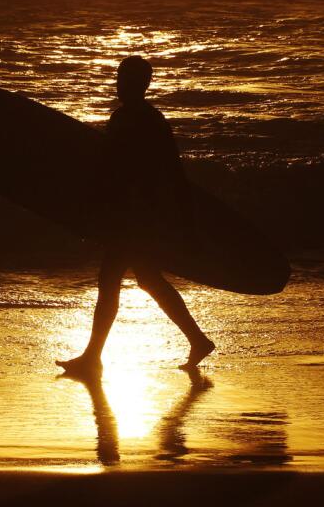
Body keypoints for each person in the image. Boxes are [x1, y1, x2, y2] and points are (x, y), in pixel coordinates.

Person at [57, 56, 215, 376]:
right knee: (148, 279)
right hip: (138, 213)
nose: (119, 84)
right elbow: (134, 169)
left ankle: (92, 358)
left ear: (142, 84)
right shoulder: (143, 118)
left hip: (135, 215)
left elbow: (152, 171)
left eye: (125, 79)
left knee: (112, 280)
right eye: (118, 77)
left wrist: (184, 222)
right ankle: (198, 340)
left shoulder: (136, 119)